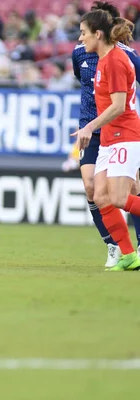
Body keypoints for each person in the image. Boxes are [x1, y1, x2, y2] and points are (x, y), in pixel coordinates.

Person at [71, 1, 140, 268]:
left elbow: (119, 106)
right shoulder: (98, 61)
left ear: (97, 34)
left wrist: (89, 127)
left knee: (121, 198)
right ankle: (128, 255)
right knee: (99, 196)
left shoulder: (118, 60)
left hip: (125, 134)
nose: (80, 38)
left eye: (83, 32)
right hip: (108, 137)